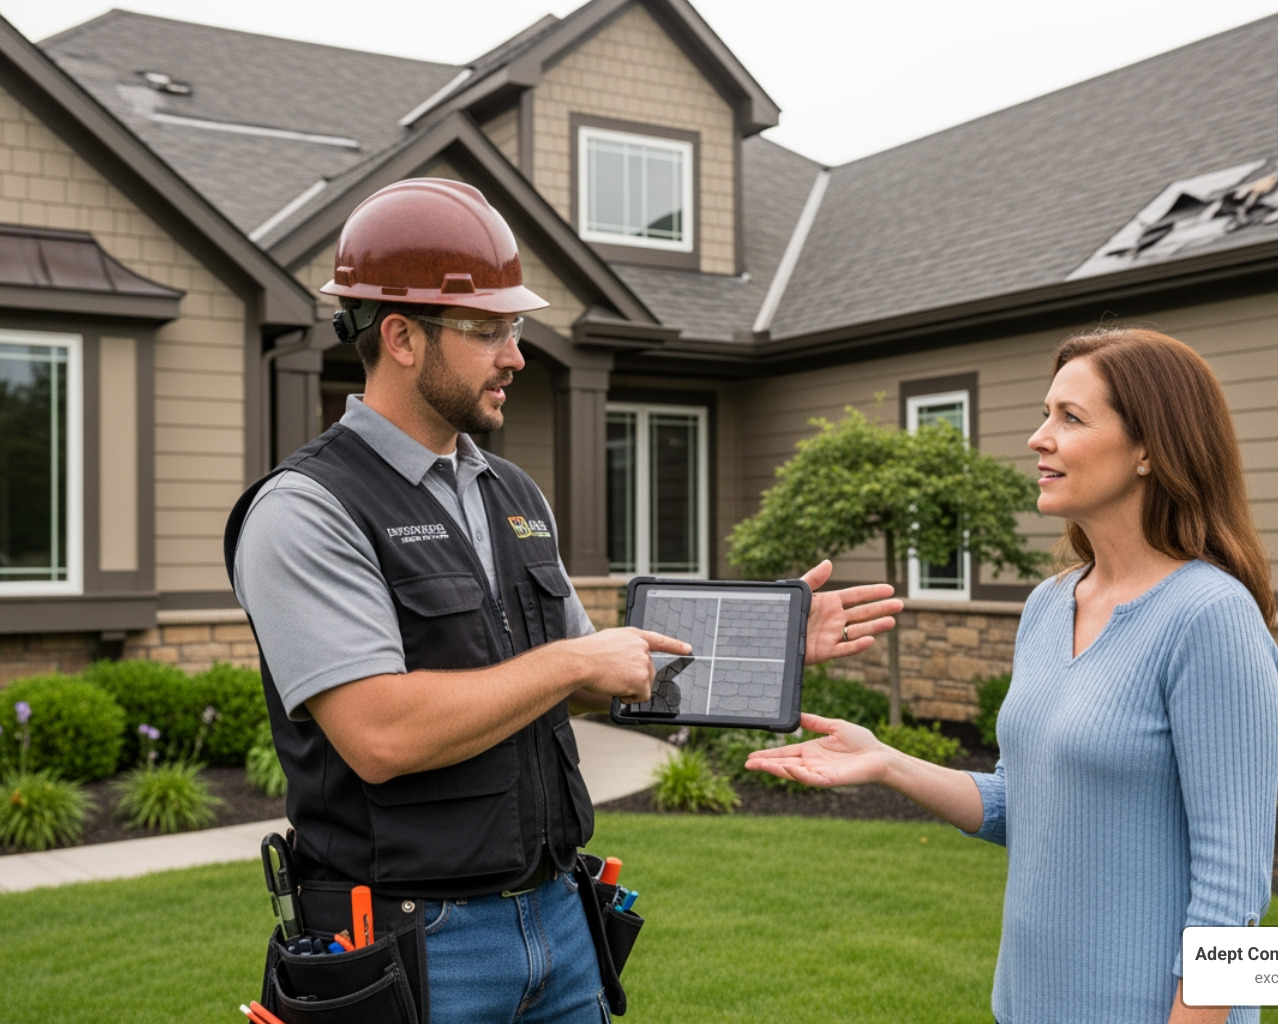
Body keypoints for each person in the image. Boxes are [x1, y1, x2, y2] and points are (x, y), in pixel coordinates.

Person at [224, 177, 902, 1024]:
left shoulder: (513, 492)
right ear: (399, 335)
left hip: (559, 924)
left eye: (515, 328)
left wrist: (766, 643)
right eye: (489, 330)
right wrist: (577, 658)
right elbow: (379, 734)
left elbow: (590, 679)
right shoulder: (307, 509)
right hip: (410, 947)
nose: (515, 353)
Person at [747, 328, 1278, 1024]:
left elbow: (1232, 890)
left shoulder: (1210, 616)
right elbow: (1027, 808)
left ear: (1151, 448)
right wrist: (887, 763)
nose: (1038, 438)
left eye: (1070, 417)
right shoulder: (1048, 604)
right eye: (1044, 413)